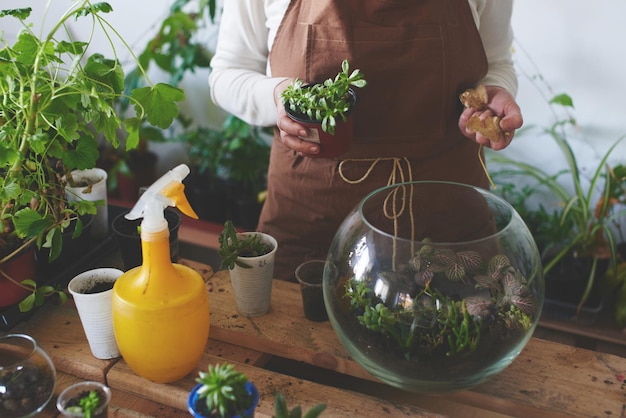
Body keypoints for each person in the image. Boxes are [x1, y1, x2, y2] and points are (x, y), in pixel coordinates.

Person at [209, 0, 524, 281]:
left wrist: (494, 91)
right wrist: (276, 96)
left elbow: (497, 63)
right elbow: (228, 72)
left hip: (446, 220)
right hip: (312, 221)